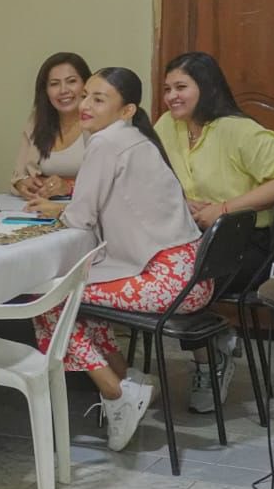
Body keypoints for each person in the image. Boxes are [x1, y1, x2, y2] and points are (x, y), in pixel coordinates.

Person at [26, 67, 209, 451]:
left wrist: (55, 212)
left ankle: (115, 392)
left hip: (166, 281)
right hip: (192, 275)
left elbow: (80, 217)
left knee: (49, 297)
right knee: (80, 292)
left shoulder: (106, 142)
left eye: (99, 99)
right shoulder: (136, 138)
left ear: (126, 110)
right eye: (86, 96)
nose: (85, 105)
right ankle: (129, 381)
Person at [154, 51, 274, 413]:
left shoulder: (239, 131)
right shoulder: (167, 126)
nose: (172, 96)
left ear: (206, 87)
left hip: (245, 246)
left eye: (181, 87)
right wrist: (183, 201)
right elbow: (153, 176)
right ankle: (215, 338)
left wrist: (223, 209)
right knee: (149, 269)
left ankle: (210, 361)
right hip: (188, 237)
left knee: (180, 280)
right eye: (167, 88)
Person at [12, 52, 92, 199]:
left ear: (86, 85)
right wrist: (22, 184)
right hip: (43, 206)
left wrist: (70, 187)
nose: (63, 90)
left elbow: (114, 182)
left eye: (71, 81)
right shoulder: (37, 120)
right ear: (45, 91)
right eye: (54, 84)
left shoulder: (101, 120)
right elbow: (18, 176)